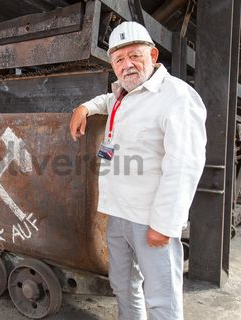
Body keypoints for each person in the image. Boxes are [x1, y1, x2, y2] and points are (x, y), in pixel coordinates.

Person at [69, 21, 206, 320]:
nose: (127, 64)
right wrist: (85, 107)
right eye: (119, 60)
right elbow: (107, 101)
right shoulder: (123, 93)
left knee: (161, 299)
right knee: (123, 285)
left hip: (150, 220)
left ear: (153, 55)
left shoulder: (176, 97)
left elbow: (184, 165)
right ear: (113, 66)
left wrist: (165, 224)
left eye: (135, 55)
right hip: (118, 215)